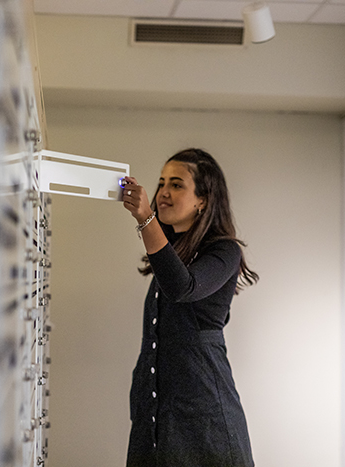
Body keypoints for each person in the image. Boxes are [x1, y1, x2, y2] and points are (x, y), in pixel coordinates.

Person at [122, 148, 258, 466]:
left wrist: (146, 219)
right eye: (161, 183)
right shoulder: (169, 253)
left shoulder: (225, 251)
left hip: (205, 425)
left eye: (177, 184)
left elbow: (183, 287)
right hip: (157, 420)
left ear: (203, 200)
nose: (163, 193)